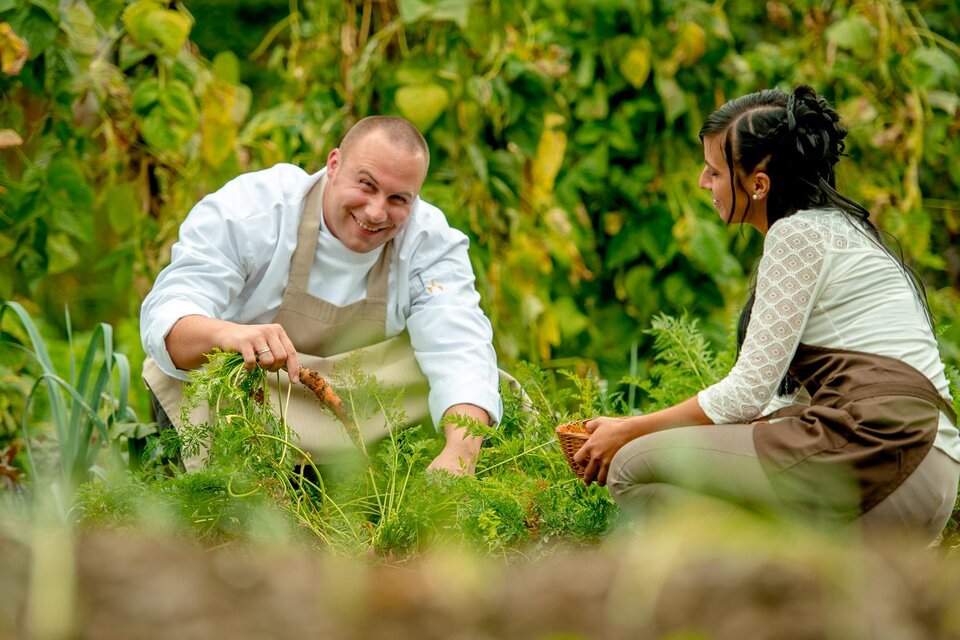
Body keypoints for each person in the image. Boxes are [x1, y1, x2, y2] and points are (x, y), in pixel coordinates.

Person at [575, 85, 960, 541]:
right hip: (928, 470)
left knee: (631, 465)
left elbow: (745, 396)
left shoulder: (797, 235)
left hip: (884, 453)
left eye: (714, 171)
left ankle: (763, 569)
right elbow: (779, 405)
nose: (702, 182)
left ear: (759, 185)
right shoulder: (843, 230)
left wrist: (629, 430)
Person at [140, 116, 502, 475]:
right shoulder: (255, 209)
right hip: (253, 402)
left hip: (364, 407)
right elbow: (168, 314)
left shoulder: (428, 240)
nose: (376, 212)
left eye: (398, 199)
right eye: (366, 185)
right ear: (334, 164)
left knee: (483, 388)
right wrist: (229, 334)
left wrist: (460, 453)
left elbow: (459, 345)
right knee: (202, 373)